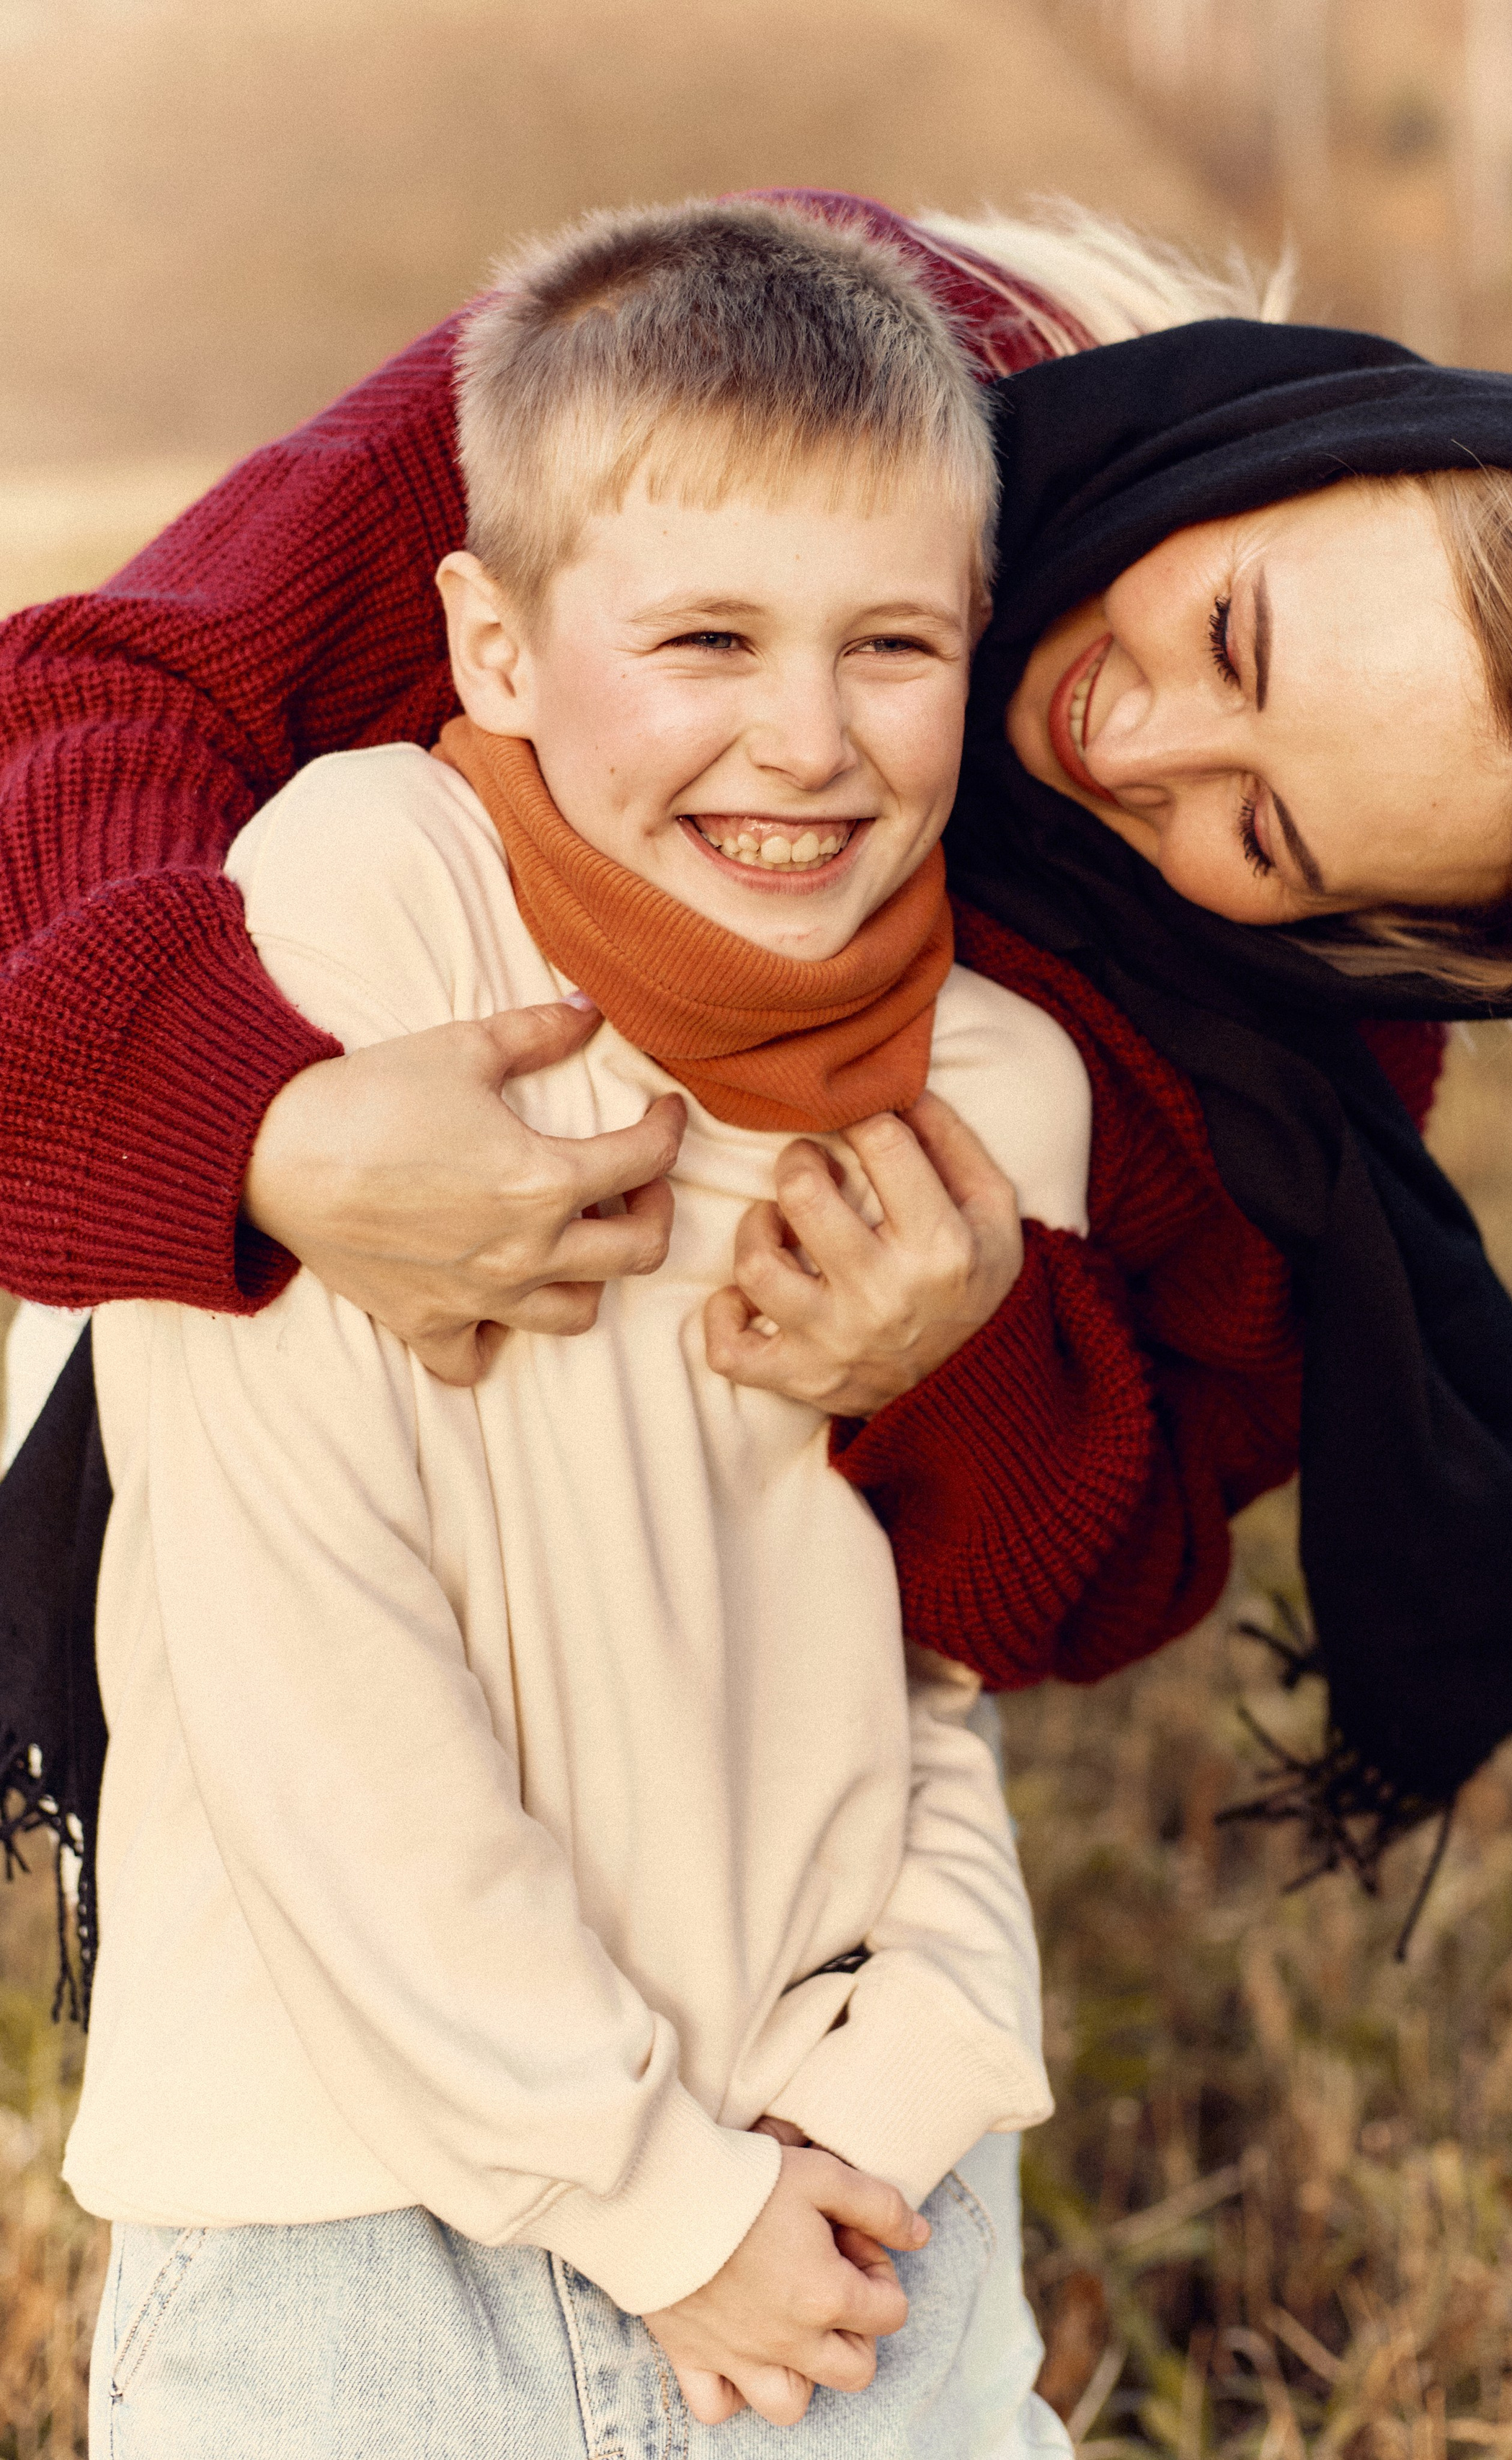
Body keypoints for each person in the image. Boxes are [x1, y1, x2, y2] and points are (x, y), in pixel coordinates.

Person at [0, 197, 1512, 1966]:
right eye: (1231, 637)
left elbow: (1104, 1581)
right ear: (1296, 443)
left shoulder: (1281, 1072)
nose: (1138, 741)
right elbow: (97, 706)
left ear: (1366, 932)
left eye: (1262, 834)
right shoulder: (754, 386)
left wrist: (961, 1362)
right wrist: (269, 1133)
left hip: (699, 1674)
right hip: (288, 1412)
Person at [69, 197, 1092, 2459]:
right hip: (353, 2238)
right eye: (706, 636)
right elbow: (290, 1632)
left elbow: (926, 1687)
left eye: (893, 643)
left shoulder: (995, 1088)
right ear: (498, 643)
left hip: (846, 2221)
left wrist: (892, 2092)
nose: (806, 739)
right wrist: (644, 2193)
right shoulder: (362, 903)